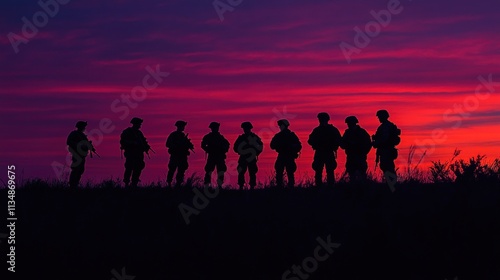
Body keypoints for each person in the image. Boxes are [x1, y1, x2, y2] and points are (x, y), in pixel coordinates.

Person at [307, 112, 342, 187]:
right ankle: (319, 186)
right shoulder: (317, 130)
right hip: (320, 152)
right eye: (320, 119)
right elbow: (310, 140)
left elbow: (339, 140)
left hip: (328, 152)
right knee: (318, 170)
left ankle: (330, 186)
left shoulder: (332, 130)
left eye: (322, 119)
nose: (320, 120)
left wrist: (333, 145)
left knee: (330, 170)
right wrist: (316, 144)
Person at [120, 117, 151, 187]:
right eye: (139, 124)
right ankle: (126, 183)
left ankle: (134, 182)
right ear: (135, 124)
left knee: (138, 168)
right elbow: (123, 141)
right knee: (129, 167)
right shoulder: (127, 132)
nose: (140, 125)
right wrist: (133, 143)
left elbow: (143, 142)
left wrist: (146, 146)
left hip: (139, 154)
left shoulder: (139, 133)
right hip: (131, 153)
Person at [270, 119, 302, 188]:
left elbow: (299, 146)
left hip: (289, 156)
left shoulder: (291, 135)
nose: (280, 127)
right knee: (279, 171)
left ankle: (290, 186)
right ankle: (280, 186)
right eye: (280, 126)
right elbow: (272, 145)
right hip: (282, 155)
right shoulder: (278, 136)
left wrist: (292, 148)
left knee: (290, 172)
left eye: (281, 126)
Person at [372, 110, 401, 183]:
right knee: (387, 168)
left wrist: (376, 142)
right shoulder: (387, 126)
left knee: (387, 168)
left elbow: (384, 139)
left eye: (379, 117)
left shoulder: (385, 126)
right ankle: (391, 185)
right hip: (386, 150)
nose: (379, 118)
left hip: (386, 151)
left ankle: (392, 186)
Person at [340, 116, 372, 182]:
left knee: (362, 174)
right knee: (351, 174)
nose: (348, 125)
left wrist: (363, 152)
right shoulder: (347, 132)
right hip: (351, 156)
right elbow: (343, 144)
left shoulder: (362, 132)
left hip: (360, 156)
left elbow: (368, 144)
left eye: (349, 123)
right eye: (348, 123)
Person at [233, 122, 263, 190]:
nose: (245, 130)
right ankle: (241, 186)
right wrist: (240, 151)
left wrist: (256, 153)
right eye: (244, 128)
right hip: (243, 157)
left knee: (252, 172)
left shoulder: (254, 137)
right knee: (241, 172)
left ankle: (252, 186)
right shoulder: (241, 138)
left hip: (251, 157)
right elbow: (235, 147)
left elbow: (260, 146)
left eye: (246, 128)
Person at [67, 121, 96, 187]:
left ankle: (75, 184)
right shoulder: (74, 134)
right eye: (83, 127)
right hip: (76, 155)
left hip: (82, 155)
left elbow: (86, 144)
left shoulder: (82, 135)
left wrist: (91, 147)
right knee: (76, 169)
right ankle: (72, 185)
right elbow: (69, 142)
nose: (84, 128)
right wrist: (79, 145)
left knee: (80, 170)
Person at [166, 120, 194, 187]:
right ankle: (169, 183)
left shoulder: (183, 135)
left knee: (181, 170)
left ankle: (178, 184)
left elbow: (189, 145)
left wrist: (188, 144)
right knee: (172, 169)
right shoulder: (173, 135)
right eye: (182, 126)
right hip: (175, 155)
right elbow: (168, 144)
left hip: (182, 156)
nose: (183, 127)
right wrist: (177, 145)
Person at [201, 122, 230, 187]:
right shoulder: (208, 137)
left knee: (220, 171)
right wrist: (208, 150)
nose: (215, 129)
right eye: (214, 128)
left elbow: (227, 145)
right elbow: (203, 145)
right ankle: (207, 185)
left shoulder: (220, 137)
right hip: (212, 156)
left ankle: (219, 185)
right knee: (209, 171)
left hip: (219, 156)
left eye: (216, 128)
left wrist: (223, 151)